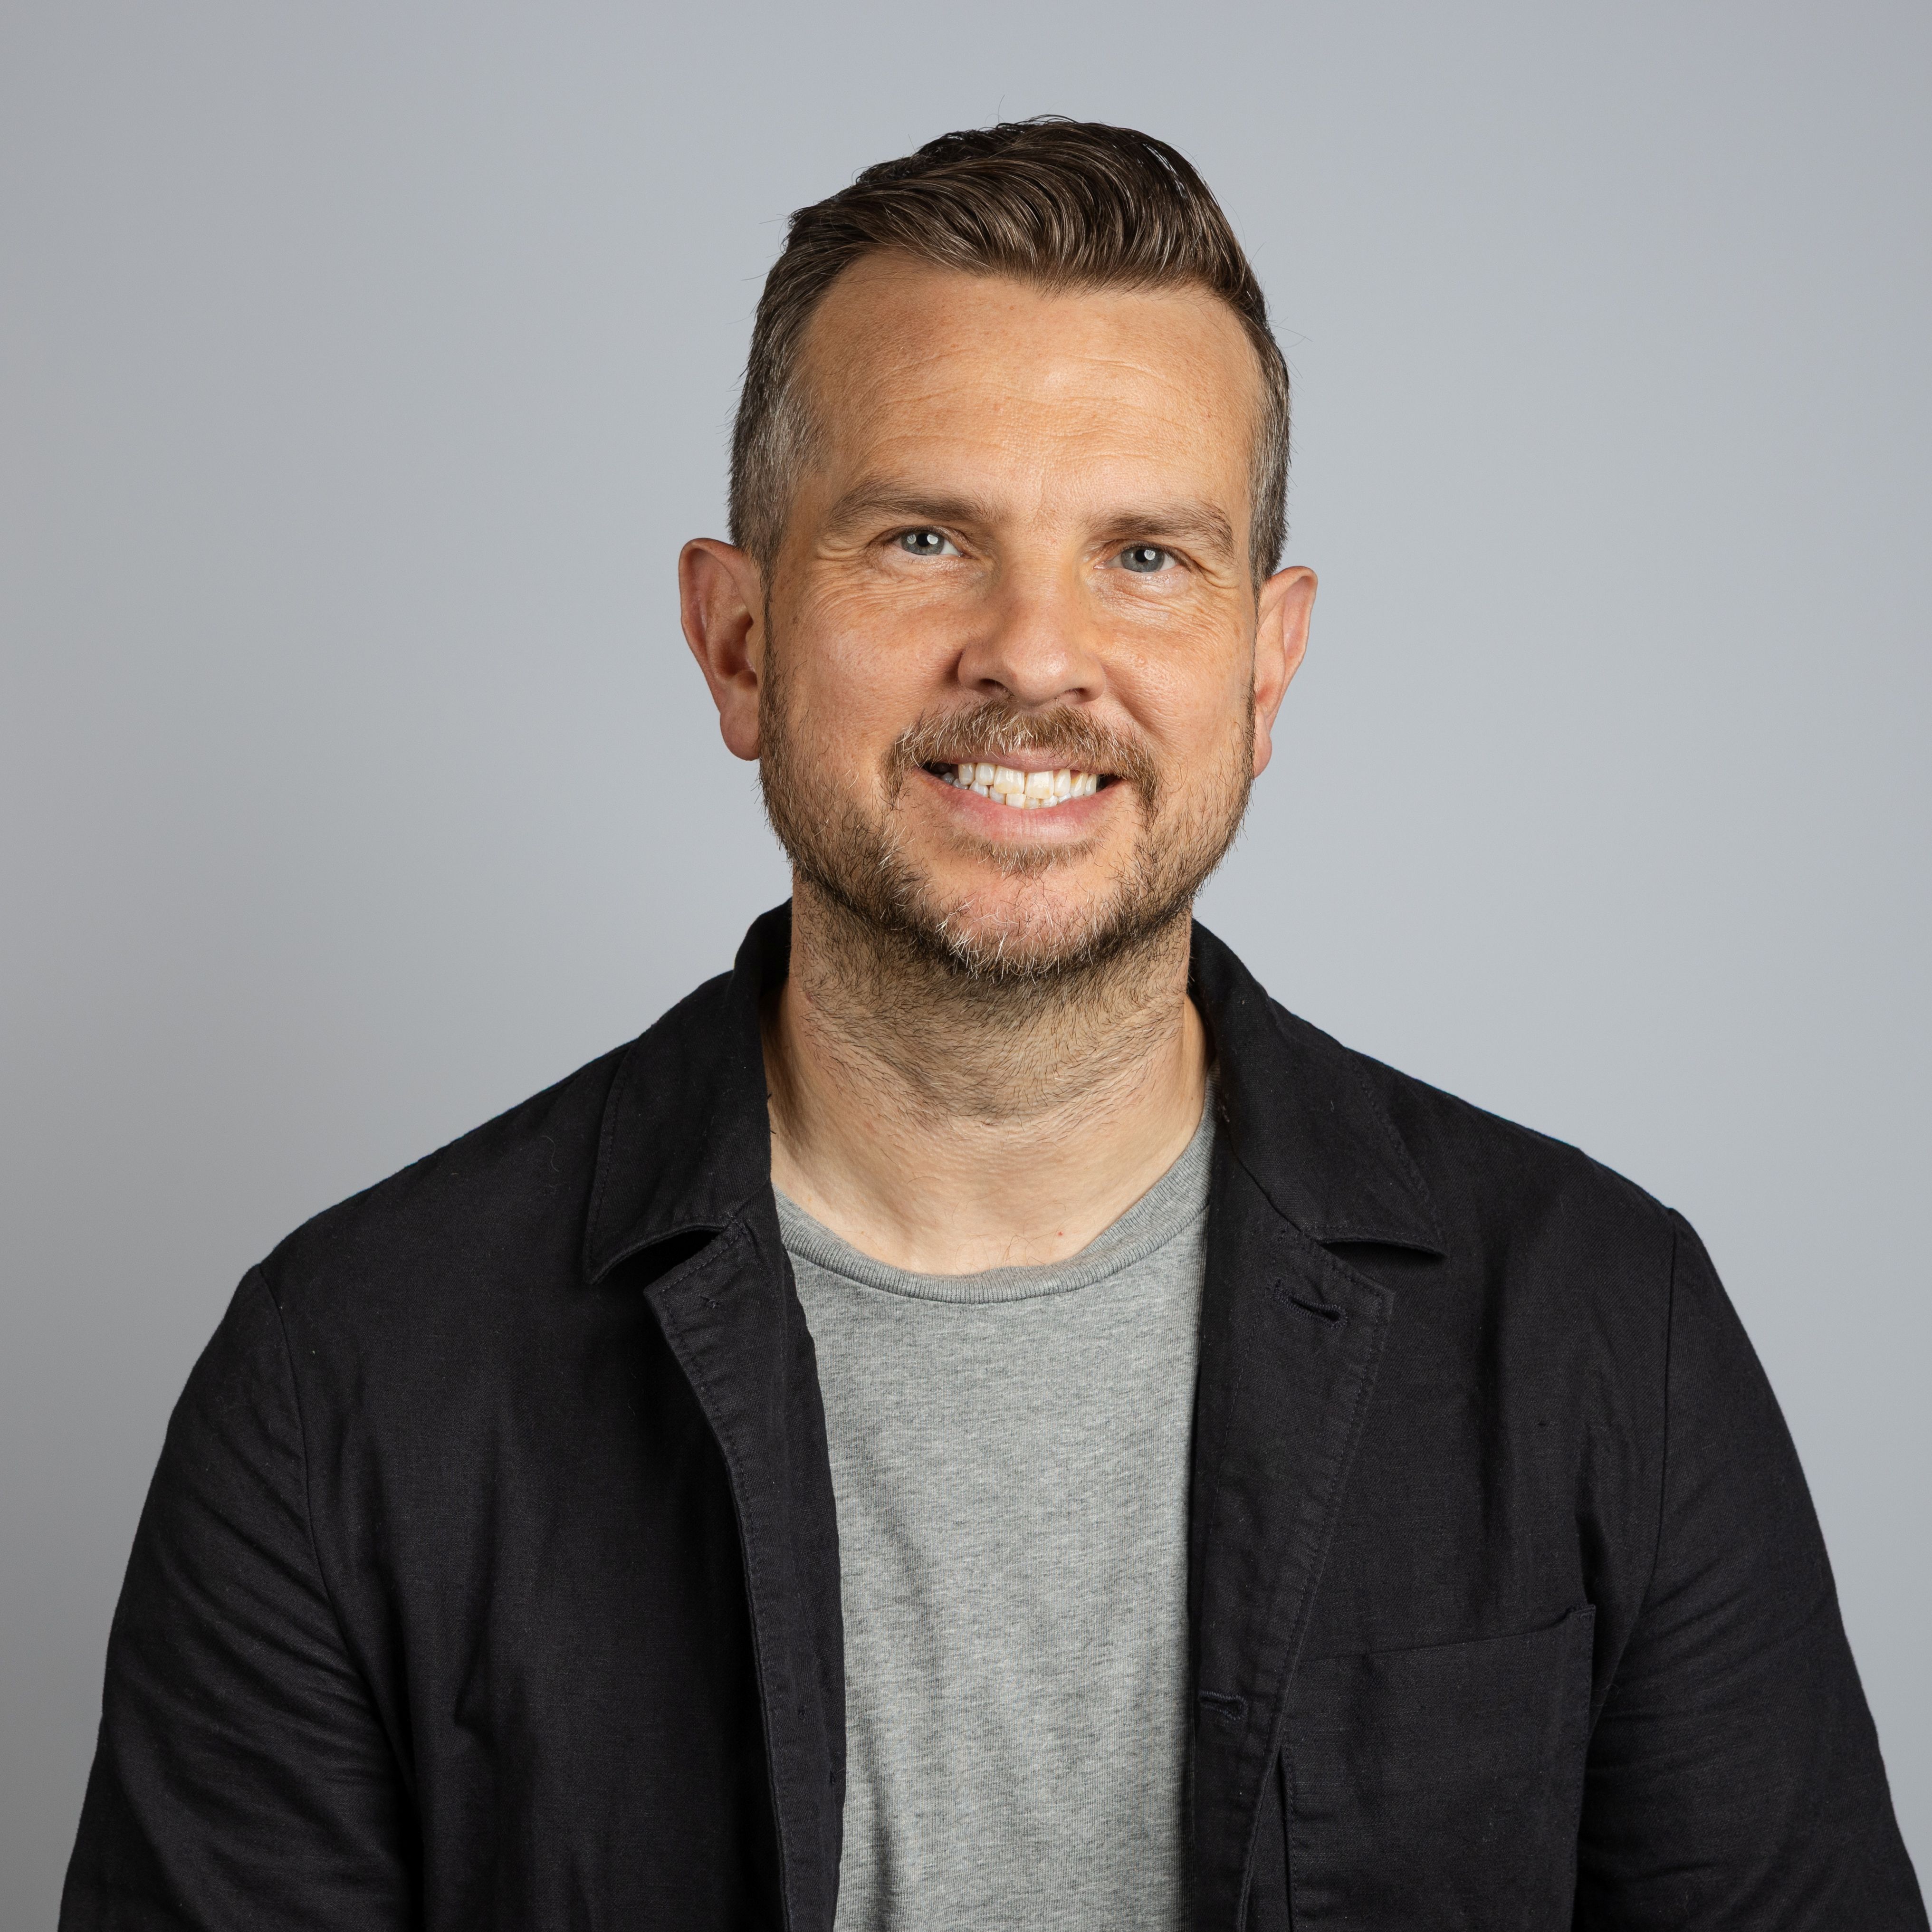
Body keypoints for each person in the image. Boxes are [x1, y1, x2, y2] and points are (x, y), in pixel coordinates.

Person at [61, 118, 1924, 1932]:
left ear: (1265, 666)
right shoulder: (351, 1378)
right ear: (738, 640)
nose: (1034, 652)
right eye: (925, 537)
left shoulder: (1601, 1330)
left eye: (1145, 557)